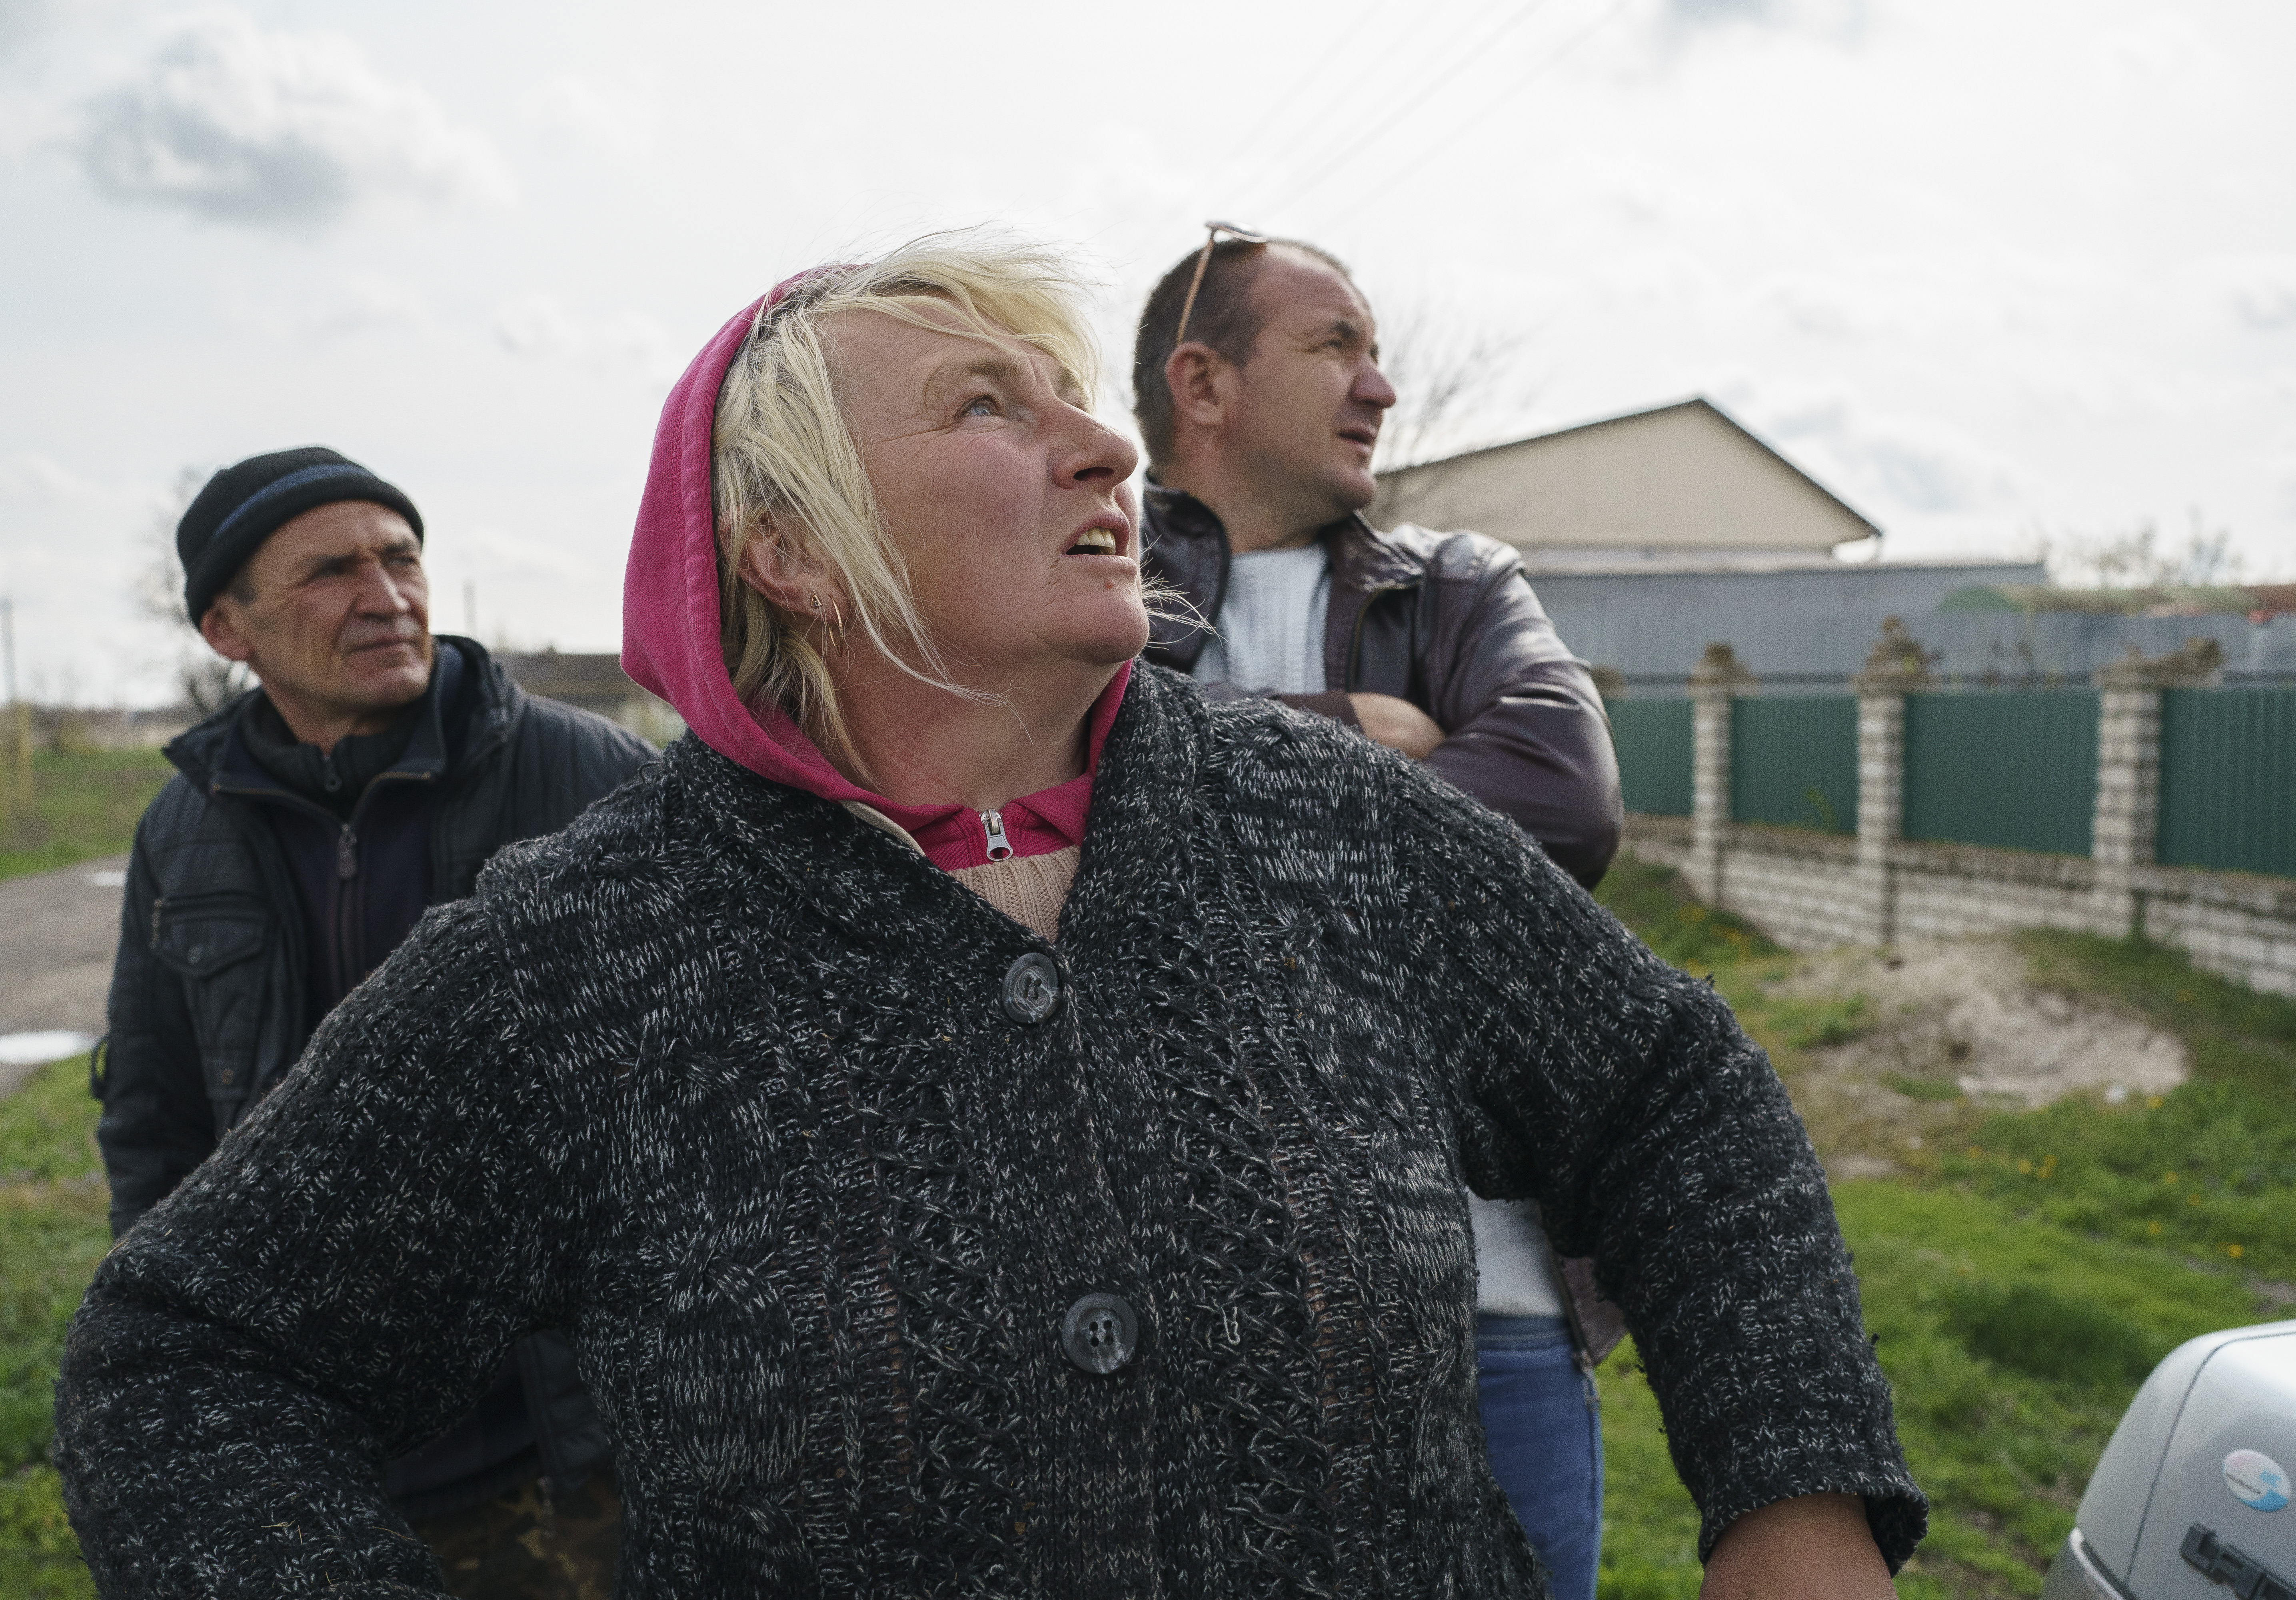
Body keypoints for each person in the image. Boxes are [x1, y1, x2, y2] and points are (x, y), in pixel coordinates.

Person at [58, 239, 1924, 1598]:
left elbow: (1670, 1094)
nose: (1107, 450)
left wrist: (1796, 1501)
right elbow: (189, 1354)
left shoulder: (1328, 824)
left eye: (1078, 407)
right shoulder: (593, 946)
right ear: (787, 547)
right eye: (985, 408)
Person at [1133, 226, 1623, 1598]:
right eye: (1335, 345)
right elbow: (1061, 800)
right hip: (1186, 1304)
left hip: (1493, 1306)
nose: (1382, 386)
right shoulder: (1101, 592)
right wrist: (1344, 726)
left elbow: (1565, 797)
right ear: (1205, 383)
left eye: (1377, 350)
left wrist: (1205, 805)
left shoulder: (1457, 584)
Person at [89, 446, 655, 1597]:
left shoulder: (589, 774)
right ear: (226, 630)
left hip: (567, 1446)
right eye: (329, 571)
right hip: (325, 1453)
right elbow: (158, 1124)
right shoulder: (183, 829)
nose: (386, 594)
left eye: (401, 558)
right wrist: (201, 1377)